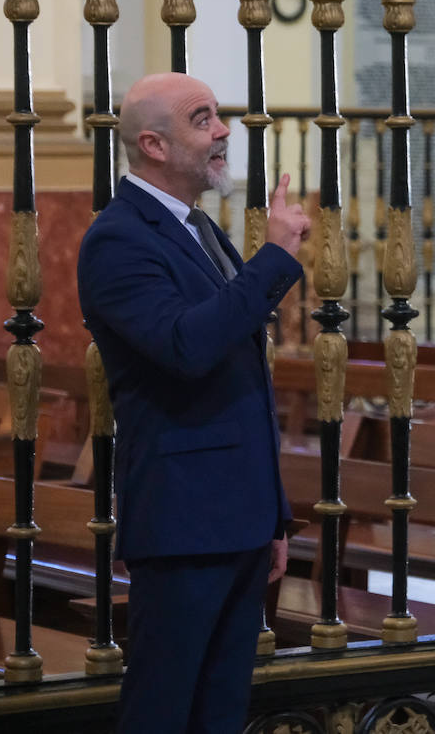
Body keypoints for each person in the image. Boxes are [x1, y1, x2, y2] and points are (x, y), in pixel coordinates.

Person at [77, 72, 309, 733]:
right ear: (152, 143)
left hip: (237, 517)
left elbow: (245, 386)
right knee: (163, 708)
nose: (223, 132)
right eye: (202, 119)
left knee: (220, 711)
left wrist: (274, 516)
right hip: (184, 522)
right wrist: (275, 258)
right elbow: (187, 348)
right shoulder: (120, 239)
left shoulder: (196, 227)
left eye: (218, 116)